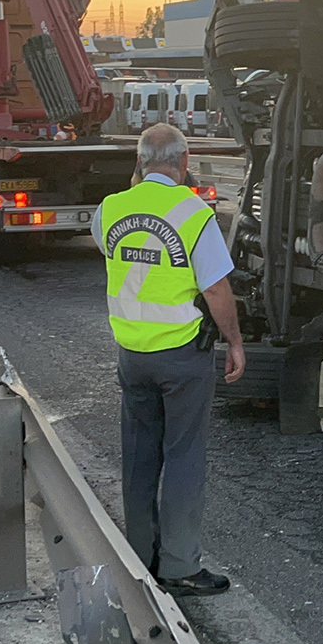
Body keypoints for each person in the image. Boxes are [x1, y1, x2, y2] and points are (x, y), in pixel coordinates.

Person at [93, 124, 246, 596]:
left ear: (138, 163)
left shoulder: (111, 208)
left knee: (139, 457)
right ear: (184, 162)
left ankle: (139, 558)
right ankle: (179, 566)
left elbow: (113, 252)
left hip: (131, 354)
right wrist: (235, 342)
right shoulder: (194, 214)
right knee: (182, 456)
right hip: (181, 356)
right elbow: (216, 287)